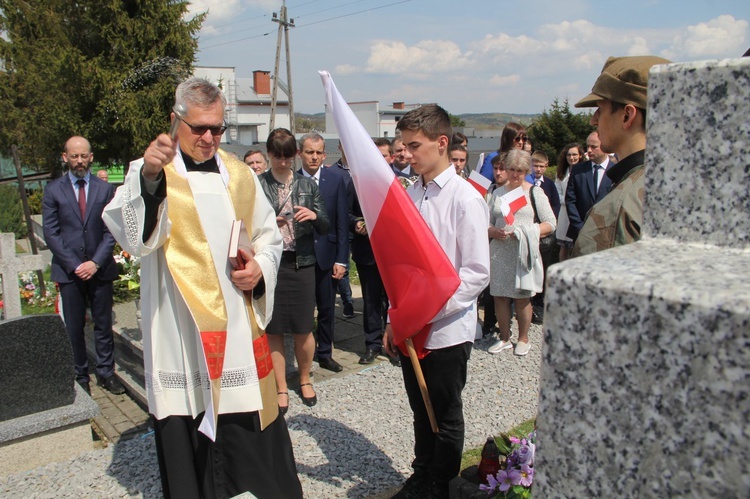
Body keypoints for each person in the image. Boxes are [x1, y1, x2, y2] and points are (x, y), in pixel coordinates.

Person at [102, 78, 303, 498]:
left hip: (236, 329)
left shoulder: (238, 173)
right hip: (180, 328)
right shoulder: (152, 171)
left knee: (246, 420)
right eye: (199, 128)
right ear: (175, 122)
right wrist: (152, 179)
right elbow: (135, 239)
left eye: (218, 128)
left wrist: (259, 271)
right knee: (189, 419)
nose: (210, 137)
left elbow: (268, 236)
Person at [384, 104, 490, 499]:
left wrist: (427, 311)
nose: (405, 154)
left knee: (444, 413)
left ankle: (441, 483)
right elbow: (404, 268)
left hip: (446, 328)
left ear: (441, 143)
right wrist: (397, 318)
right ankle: (422, 473)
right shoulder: (411, 194)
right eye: (403, 146)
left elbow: (476, 272)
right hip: (413, 326)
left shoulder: (465, 199)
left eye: (414, 145)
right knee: (419, 408)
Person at [42, 136, 123, 396]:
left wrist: (95, 262)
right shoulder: (53, 190)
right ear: (65, 157)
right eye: (74, 156)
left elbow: (111, 230)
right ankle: (80, 376)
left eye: (84, 156)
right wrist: (77, 265)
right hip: (70, 272)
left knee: (102, 324)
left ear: (91, 157)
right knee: (74, 327)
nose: (79, 161)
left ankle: (106, 373)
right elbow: (52, 233)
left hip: (99, 269)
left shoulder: (105, 189)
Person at [258, 128, 330, 413]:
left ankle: (304, 378)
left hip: (302, 263)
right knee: (273, 329)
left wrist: (313, 216)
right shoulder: (258, 183)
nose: (282, 162)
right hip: (271, 263)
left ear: (295, 155)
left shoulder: (307, 186)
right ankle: (280, 386)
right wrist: (266, 224)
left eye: (288, 157)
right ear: (269, 154)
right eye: (277, 156)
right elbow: (244, 224)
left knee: (303, 327)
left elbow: (326, 224)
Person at [572, 55, 671, 256]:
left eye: (600, 109)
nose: (593, 120)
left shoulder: (618, 210)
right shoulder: (687, 182)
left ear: (627, 115)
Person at [487, 149, 556, 357]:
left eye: (520, 170)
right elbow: (487, 220)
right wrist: (492, 231)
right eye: (511, 169)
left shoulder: (534, 192)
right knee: (499, 295)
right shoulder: (497, 193)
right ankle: (505, 338)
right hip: (500, 250)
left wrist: (527, 231)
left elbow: (551, 223)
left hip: (523, 251)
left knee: (522, 297)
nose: (515, 174)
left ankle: (523, 338)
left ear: (526, 170)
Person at [296, 133, 350, 373]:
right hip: (301, 257)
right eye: (309, 152)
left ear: (325, 154)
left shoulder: (336, 179)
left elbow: (341, 223)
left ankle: (325, 352)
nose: (314, 157)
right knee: (304, 311)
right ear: (300, 154)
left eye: (318, 152)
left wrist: (342, 259)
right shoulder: (292, 180)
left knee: (327, 308)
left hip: (328, 256)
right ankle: (304, 356)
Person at [527, 151, 560, 324]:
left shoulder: (549, 185)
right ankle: (529, 303)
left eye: (541, 166)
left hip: (544, 234)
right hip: (530, 232)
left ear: (546, 167)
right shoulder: (527, 184)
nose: (538, 169)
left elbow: (555, 206)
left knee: (544, 268)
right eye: (535, 165)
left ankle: (539, 302)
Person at [564, 131, 613, 243]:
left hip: (606, 234)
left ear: (604, 145)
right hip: (580, 233)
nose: (589, 150)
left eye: (594, 147)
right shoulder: (578, 170)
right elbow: (570, 200)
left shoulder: (617, 171)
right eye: (587, 146)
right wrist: (579, 227)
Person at [330, 142, 356, 322]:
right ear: (340, 146)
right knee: (343, 267)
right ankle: (347, 300)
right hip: (342, 228)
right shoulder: (333, 172)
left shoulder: (362, 170)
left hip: (360, 228)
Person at [555, 143, 584, 261]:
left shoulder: (584, 171)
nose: (572, 158)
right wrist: (567, 201)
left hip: (579, 212)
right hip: (564, 212)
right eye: (569, 155)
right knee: (564, 246)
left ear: (580, 155)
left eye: (575, 155)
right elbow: (558, 192)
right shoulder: (562, 173)